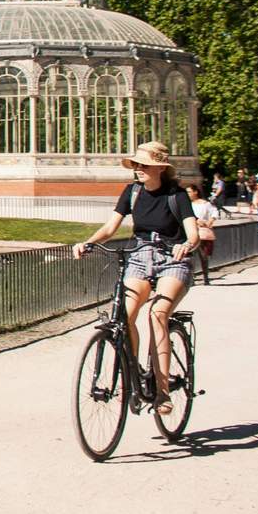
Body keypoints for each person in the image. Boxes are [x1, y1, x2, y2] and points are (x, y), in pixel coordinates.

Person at [72, 142, 199, 416]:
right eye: (136, 165)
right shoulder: (132, 192)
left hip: (172, 259)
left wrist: (185, 245)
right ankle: (135, 371)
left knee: (157, 313)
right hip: (141, 256)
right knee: (125, 314)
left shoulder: (176, 195)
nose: (138, 170)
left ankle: (163, 390)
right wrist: (88, 243)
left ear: (159, 169)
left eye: (144, 166)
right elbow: (110, 227)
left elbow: (193, 233)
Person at [186, 183, 216, 286]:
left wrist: (210, 221)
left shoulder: (205, 204)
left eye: (189, 192)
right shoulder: (186, 204)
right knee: (190, 256)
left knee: (203, 255)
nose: (188, 194)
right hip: (190, 230)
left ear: (195, 192)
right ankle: (192, 278)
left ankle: (205, 277)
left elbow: (214, 213)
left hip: (202, 231)